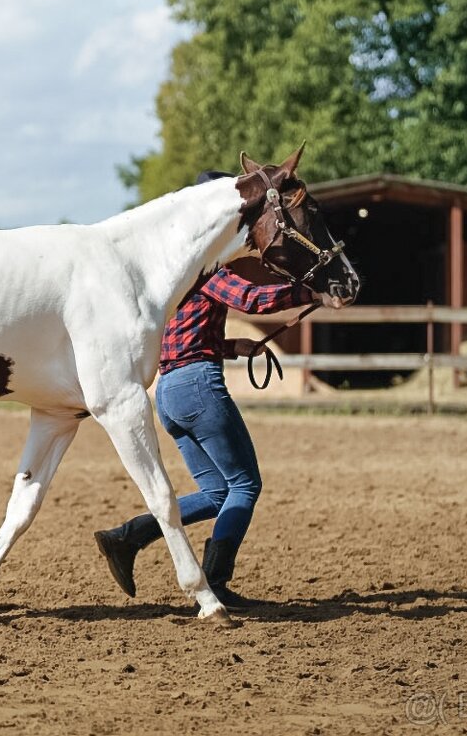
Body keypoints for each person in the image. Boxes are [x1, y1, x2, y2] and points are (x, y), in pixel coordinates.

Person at [93, 172, 317, 610]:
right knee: (245, 485)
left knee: (218, 491)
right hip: (198, 386)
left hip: (169, 391)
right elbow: (252, 300)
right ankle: (215, 581)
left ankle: (129, 536)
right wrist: (313, 289)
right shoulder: (207, 269)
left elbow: (182, 335)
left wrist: (234, 345)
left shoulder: (168, 273)